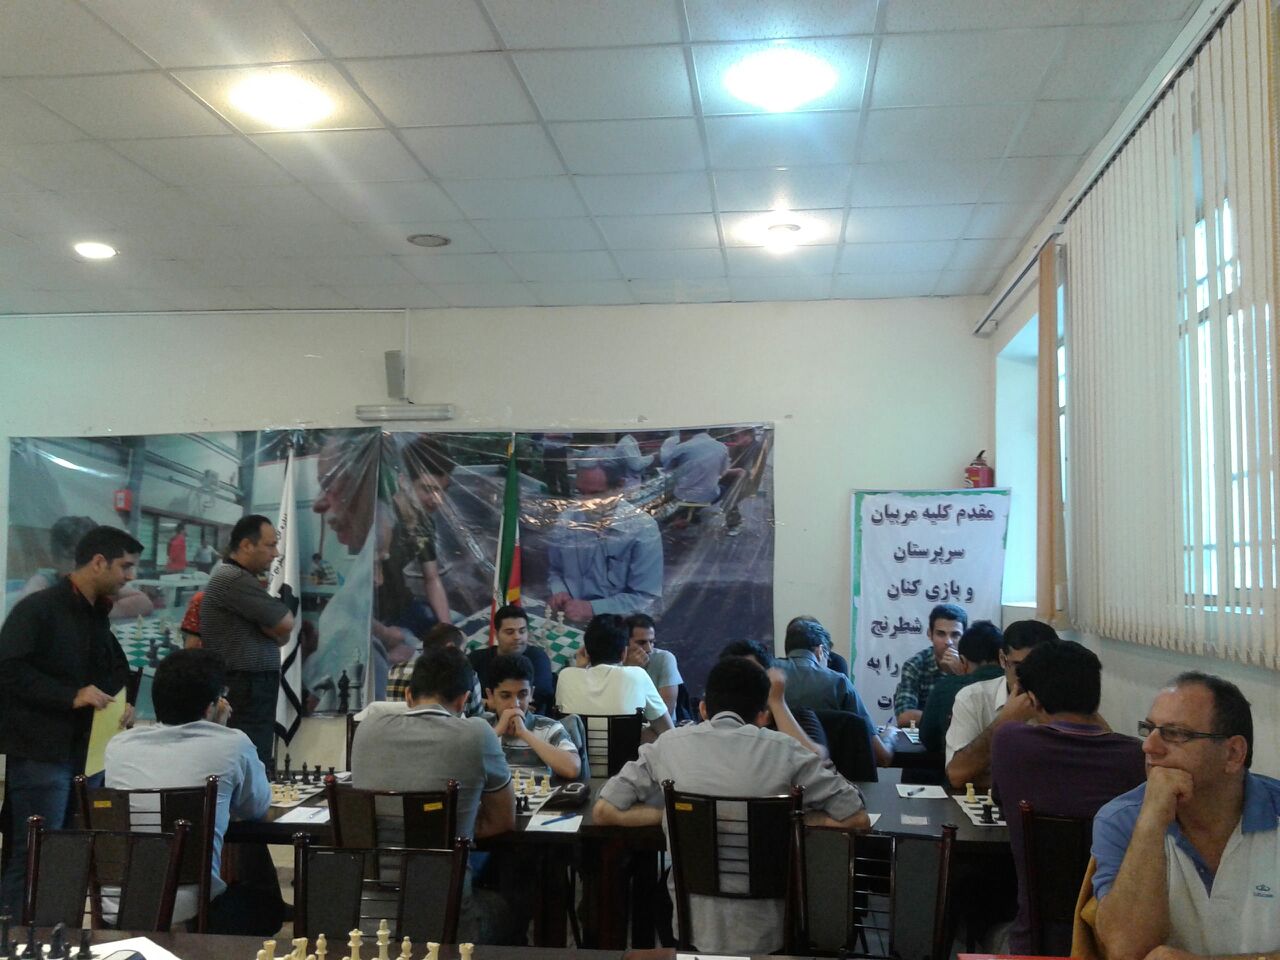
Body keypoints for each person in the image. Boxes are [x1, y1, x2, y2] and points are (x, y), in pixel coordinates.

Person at [592, 655, 870, 954]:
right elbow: (857, 818)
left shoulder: (666, 746)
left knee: (659, 892)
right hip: (774, 933)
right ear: (763, 715)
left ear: (703, 709)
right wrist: (793, 817)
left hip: (691, 929)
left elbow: (605, 811)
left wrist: (671, 814)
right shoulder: (787, 750)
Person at [0, 525, 141, 915]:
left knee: (71, 852)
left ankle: (57, 930)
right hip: (43, 753)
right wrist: (70, 694)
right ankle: (14, 935)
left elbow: (117, 668)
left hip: (86, 755)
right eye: (125, 566)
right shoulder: (39, 608)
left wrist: (126, 701)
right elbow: (8, 670)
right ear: (98, 562)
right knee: (35, 850)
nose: (130, 576)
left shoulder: (96, 613)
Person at [1093, 673, 1279, 960]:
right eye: (1148, 729)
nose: (1148, 746)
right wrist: (1152, 820)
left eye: (1176, 733)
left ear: (1233, 753)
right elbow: (1125, 951)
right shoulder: (1121, 819)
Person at [104, 649, 283, 935]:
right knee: (269, 909)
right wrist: (218, 729)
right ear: (211, 707)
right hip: (190, 908)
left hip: (118, 905)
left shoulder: (118, 746)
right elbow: (256, 808)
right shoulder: (233, 743)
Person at [351, 646, 520, 944]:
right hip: (447, 920)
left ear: (408, 696)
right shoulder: (478, 733)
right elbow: (504, 820)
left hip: (368, 920)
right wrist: (450, 825)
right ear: (464, 700)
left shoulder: (367, 729)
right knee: (508, 906)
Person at [990, 640, 1144, 955]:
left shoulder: (1010, 741)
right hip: (1113, 941)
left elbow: (999, 800)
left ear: (1031, 699)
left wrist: (1009, 714)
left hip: (1035, 942)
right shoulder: (1137, 756)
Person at [199, 514, 295, 766]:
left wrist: (272, 627)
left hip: (251, 684)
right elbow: (286, 623)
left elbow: (282, 635)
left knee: (255, 758)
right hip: (243, 685)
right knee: (247, 761)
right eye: (270, 545)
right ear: (246, 545)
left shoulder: (241, 579)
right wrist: (272, 627)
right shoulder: (233, 578)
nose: (275, 553)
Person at [546, 448, 662, 623]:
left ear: (620, 487)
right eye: (580, 492)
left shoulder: (643, 529)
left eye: (595, 494)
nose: (585, 503)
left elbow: (644, 598)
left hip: (617, 623)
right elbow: (555, 570)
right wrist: (559, 591)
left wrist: (593, 608)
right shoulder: (567, 519)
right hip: (568, 617)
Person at [946, 619, 1058, 789]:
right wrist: (1005, 722)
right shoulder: (973, 698)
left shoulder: (1066, 700)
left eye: (1040, 668)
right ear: (1002, 659)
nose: (1030, 676)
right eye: (1020, 667)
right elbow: (957, 775)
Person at [777, 616, 892, 766]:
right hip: (828, 775)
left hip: (776, 775)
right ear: (820, 651)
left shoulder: (765, 676)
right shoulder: (840, 683)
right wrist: (889, 735)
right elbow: (881, 757)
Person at [555, 614, 672, 734]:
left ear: (586, 652)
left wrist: (579, 669)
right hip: (626, 745)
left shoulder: (565, 676)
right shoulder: (638, 674)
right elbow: (667, 730)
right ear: (624, 652)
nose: (649, 649)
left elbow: (568, 722)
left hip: (577, 746)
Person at [19, 515, 153, 619]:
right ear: (56, 559)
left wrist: (104, 611)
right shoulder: (45, 581)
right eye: (72, 556)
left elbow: (144, 603)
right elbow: (28, 611)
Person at [719, 639, 827, 758]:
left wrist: (777, 702)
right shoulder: (719, 721)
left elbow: (814, 762)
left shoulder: (800, 716)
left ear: (769, 678)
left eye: (751, 677)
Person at [483, 654, 580, 780]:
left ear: (531, 694)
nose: (515, 704)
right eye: (505, 696)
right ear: (490, 696)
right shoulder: (480, 727)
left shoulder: (549, 728)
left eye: (522, 695)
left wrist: (524, 733)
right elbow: (461, 765)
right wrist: (495, 732)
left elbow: (573, 769)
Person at [919, 620, 1004, 754]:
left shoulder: (947, 687)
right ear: (1003, 657)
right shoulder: (1018, 685)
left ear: (962, 661)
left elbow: (928, 739)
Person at [468, 605, 556, 716]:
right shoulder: (476, 658)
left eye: (522, 631)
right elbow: (462, 697)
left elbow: (536, 702)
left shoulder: (538, 658)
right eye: (510, 632)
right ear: (496, 634)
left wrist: (488, 703)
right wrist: (487, 704)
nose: (517, 637)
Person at [893, 603, 967, 726]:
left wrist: (961, 676)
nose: (948, 642)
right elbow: (904, 716)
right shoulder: (915, 665)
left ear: (965, 636)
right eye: (941, 634)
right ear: (930, 634)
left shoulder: (972, 663)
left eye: (955, 635)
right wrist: (950, 718)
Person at [622, 613, 683, 719]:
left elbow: (666, 712)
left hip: (660, 727)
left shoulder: (664, 658)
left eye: (651, 642)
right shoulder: (615, 662)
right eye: (641, 643)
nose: (649, 649)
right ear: (625, 643)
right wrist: (630, 671)